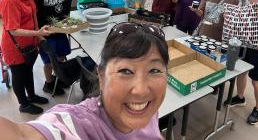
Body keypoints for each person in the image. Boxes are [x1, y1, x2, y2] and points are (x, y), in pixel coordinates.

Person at [0, 23, 168, 139]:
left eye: (154, 70)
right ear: (101, 77)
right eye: (125, 71)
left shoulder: (148, 109)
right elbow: (22, 135)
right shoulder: (80, 125)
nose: (141, 90)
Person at [31, 0, 113, 95]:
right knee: (48, 61)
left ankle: (59, 77)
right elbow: (32, 14)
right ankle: (49, 83)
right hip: (45, 31)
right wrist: (37, 34)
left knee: (61, 56)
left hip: (63, 29)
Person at [0, 0, 52, 115]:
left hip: (30, 42)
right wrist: (38, 33)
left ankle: (32, 96)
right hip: (15, 46)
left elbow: (33, 16)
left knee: (28, 70)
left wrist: (38, 36)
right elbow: (13, 29)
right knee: (18, 75)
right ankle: (23, 104)